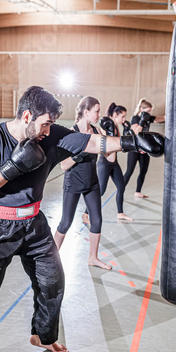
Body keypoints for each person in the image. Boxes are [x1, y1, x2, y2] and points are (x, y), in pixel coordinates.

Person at [0, 86, 163, 352]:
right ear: (27, 116)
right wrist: (11, 168)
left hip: (34, 224)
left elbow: (92, 142)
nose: (49, 131)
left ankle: (43, 336)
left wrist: (130, 142)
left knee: (53, 281)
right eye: (46, 123)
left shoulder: (52, 135)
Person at [54, 96, 111, 271]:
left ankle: (93, 258)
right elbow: (64, 166)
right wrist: (79, 154)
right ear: (86, 112)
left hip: (92, 183)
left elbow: (111, 157)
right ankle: (51, 259)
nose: (99, 115)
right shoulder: (71, 133)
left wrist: (111, 137)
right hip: (74, 183)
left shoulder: (97, 131)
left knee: (97, 220)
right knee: (65, 222)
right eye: (97, 111)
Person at [97, 102, 133, 222]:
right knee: (101, 190)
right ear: (115, 115)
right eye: (122, 116)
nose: (124, 119)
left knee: (121, 186)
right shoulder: (106, 124)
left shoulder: (116, 126)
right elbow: (106, 144)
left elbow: (119, 144)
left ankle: (120, 213)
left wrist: (127, 130)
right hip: (105, 162)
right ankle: (87, 213)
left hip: (114, 162)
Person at [123, 98, 165, 198]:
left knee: (143, 170)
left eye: (150, 111)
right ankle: (121, 191)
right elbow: (136, 132)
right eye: (148, 111)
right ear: (141, 109)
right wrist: (142, 121)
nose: (149, 113)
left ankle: (138, 191)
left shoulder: (148, 118)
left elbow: (162, 118)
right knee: (129, 171)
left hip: (145, 148)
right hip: (135, 148)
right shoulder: (135, 118)